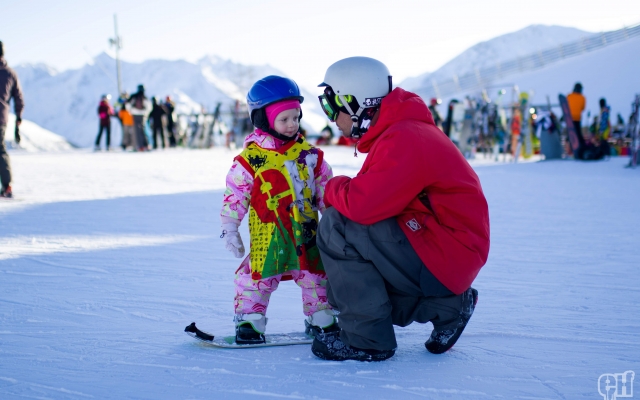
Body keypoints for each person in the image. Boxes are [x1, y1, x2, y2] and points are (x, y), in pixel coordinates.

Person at [312, 57, 490, 362]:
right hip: (445, 250)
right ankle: (448, 307)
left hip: (446, 251)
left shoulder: (406, 138)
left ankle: (367, 340)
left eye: (331, 106)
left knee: (337, 226)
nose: (331, 118)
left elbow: (361, 205)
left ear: (354, 102)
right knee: (354, 283)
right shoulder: (401, 132)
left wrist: (329, 186)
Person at [220, 75, 337, 344]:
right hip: (269, 234)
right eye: (284, 119)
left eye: (296, 117)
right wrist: (229, 229)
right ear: (263, 119)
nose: (292, 124)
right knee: (257, 277)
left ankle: (320, 315)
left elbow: (327, 192)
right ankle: (250, 320)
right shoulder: (251, 160)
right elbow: (234, 196)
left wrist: (336, 221)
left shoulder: (310, 156)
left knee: (316, 275)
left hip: (307, 233)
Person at [0, 41, 24, 199]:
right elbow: (19, 98)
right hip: (2, 117)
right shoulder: (10, 73)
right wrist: (18, 118)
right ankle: (7, 187)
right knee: (1, 151)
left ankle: (7, 187)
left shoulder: (10, 73)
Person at [128, 84, 151, 151]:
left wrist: (132, 111)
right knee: (143, 130)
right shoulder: (145, 97)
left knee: (137, 131)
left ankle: (139, 146)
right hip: (143, 115)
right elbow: (149, 107)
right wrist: (145, 113)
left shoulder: (134, 96)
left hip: (135, 115)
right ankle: (146, 145)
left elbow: (128, 105)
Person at [567, 82, 587, 152]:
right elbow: (583, 108)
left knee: (570, 134)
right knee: (578, 134)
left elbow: (566, 107)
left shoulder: (569, 96)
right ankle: (580, 149)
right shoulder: (582, 97)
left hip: (569, 118)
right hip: (577, 118)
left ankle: (570, 149)